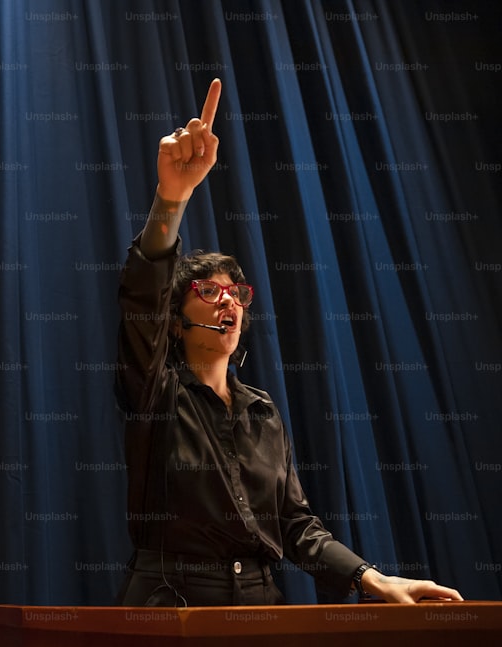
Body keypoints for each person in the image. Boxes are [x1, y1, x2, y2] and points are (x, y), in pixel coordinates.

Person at [115, 78, 463, 607]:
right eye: (208, 292)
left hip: (260, 607)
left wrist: (374, 578)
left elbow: (294, 525)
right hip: (174, 603)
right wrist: (172, 197)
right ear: (177, 318)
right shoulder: (154, 391)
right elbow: (142, 302)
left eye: (237, 293)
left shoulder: (263, 411)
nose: (228, 302)